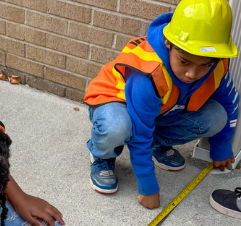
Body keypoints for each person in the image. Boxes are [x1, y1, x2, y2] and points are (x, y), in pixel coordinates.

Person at [83, 0, 238, 207]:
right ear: (168, 42)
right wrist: (148, 187)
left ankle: (158, 144)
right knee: (118, 127)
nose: (192, 74)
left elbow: (228, 104)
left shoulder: (217, 64)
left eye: (205, 65)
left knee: (216, 116)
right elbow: (140, 132)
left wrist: (221, 148)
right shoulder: (148, 72)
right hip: (111, 103)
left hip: (154, 112)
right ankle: (101, 154)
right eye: (184, 61)